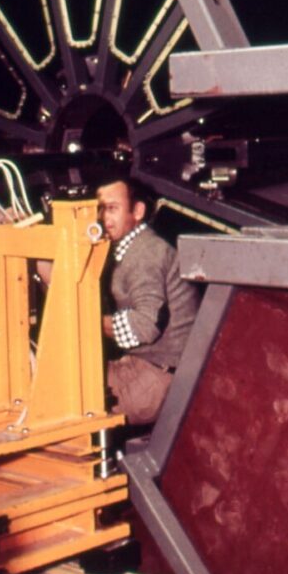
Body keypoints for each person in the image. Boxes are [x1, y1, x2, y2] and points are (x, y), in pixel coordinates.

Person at [95, 175, 200, 426]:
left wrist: (87, 323)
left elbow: (144, 325)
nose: (102, 219)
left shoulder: (145, 253)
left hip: (157, 381)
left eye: (111, 209)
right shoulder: (129, 248)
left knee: (61, 397)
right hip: (144, 367)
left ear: (138, 211)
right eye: (99, 209)